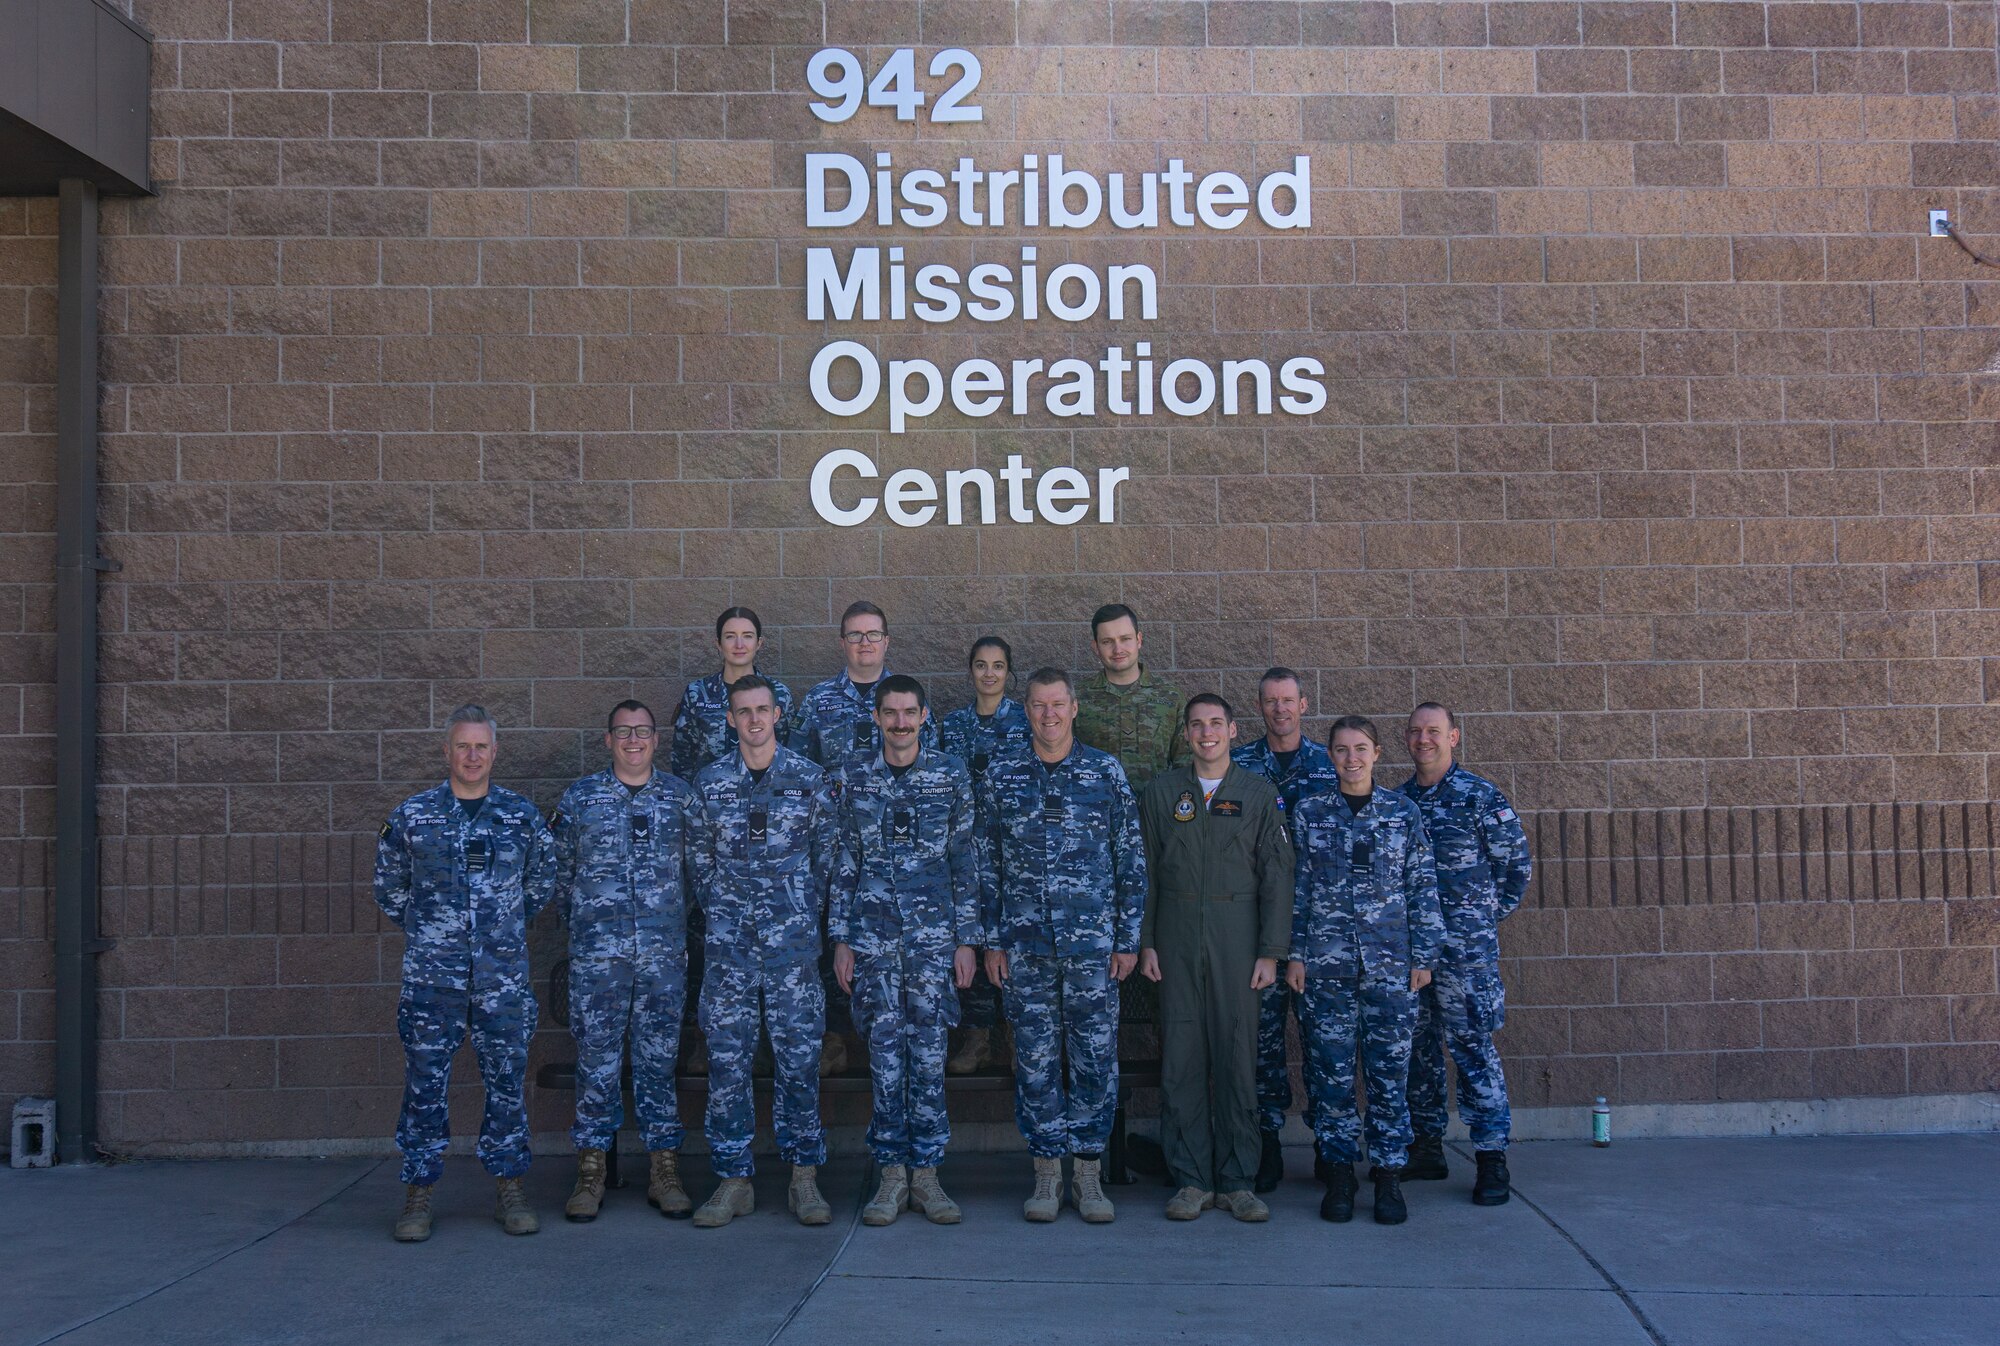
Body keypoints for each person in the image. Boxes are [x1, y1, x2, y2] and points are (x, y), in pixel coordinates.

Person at [374, 704, 557, 1243]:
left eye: (482, 746)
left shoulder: (521, 817)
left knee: (505, 1085)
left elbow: (539, 885)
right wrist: (434, 930)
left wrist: (497, 929)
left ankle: (509, 1187)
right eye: (463, 746)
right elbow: (390, 888)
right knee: (426, 1086)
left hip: (501, 979)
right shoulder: (413, 816)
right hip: (434, 981)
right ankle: (419, 1192)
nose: (472, 756)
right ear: (446, 751)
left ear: (495, 752)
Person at [978, 668, 1147, 1225]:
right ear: (1025, 710)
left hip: (1093, 948)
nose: (1048, 715)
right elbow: (988, 864)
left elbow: (1130, 860)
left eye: (1057, 705)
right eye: (1037, 705)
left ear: (1074, 708)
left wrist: (1126, 940)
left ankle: (1089, 1173)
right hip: (1025, 946)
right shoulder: (1003, 774)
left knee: (1096, 1057)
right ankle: (1047, 1173)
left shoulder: (1104, 772)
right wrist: (992, 941)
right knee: (1035, 1060)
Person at [828, 676, 981, 1227]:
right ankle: (891, 1176)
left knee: (930, 1057)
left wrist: (967, 940)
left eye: (909, 712)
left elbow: (965, 860)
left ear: (923, 716)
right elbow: (844, 860)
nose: (899, 722)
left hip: (933, 944)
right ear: (876, 718)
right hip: (871, 943)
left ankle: (929, 1178)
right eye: (890, 713)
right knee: (885, 1059)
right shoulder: (853, 776)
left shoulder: (949, 774)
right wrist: (841, 937)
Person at [686, 675, 837, 1228]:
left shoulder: (809, 779)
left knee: (799, 1062)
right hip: (729, 951)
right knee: (728, 1065)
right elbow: (698, 860)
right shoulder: (709, 783)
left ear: (777, 715)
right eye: (743, 711)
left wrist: (797, 907)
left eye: (762, 710)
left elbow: (827, 856)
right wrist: (727, 905)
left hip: (792, 951)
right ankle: (733, 1181)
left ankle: (803, 1179)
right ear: (730, 719)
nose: (753, 720)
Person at [1137, 694, 1294, 1222]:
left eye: (1215, 724)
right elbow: (1147, 874)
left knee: (1236, 1059)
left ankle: (1237, 1180)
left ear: (1232, 729)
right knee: (1181, 1058)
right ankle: (1190, 1180)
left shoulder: (1257, 793)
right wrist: (1146, 941)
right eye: (1196, 725)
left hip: (1237, 938)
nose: (1206, 733)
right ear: (1186, 733)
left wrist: (1271, 952)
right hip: (1176, 936)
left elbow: (1277, 877)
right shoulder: (1162, 793)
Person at [1287, 716, 1442, 1226]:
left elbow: (1421, 887)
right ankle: (1339, 1176)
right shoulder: (1309, 812)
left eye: (1360, 749)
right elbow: (1299, 890)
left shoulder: (1403, 813)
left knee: (1388, 1076)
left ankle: (1389, 1177)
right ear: (1329, 756)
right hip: (1326, 967)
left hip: (1389, 968)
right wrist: (1296, 953)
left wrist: (1423, 957)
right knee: (1329, 1075)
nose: (1351, 759)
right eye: (1340, 750)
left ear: (1377, 754)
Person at [551, 699, 697, 1223]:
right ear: (608, 740)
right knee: (597, 1062)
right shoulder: (581, 798)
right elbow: (560, 875)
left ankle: (664, 1168)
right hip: (599, 960)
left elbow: (698, 877)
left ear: (656, 740)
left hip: (662, 959)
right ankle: (591, 1171)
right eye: (623, 731)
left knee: (659, 1063)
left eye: (642, 731)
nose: (633, 740)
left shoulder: (681, 798)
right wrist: (591, 931)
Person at [784, 600, 935, 1075]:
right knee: (831, 936)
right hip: (831, 847)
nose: (865, 644)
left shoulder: (905, 698)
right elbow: (796, 770)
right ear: (842, 642)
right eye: (855, 635)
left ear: (887, 641)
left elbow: (933, 771)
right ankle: (833, 1037)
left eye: (873, 635)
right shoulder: (819, 702)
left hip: (895, 854)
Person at [1398, 702, 1532, 1206]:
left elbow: (1514, 869)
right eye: (1415, 732)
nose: (1423, 739)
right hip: (1413, 957)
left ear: (1454, 737)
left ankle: (1492, 1158)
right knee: (1418, 1054)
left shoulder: (1480, 797)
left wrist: (1475, 922)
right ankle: (1426, 1148)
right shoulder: (1400, 802)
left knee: (1473, 1052)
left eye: (1433, 731)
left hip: (1464, 959)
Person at [1230, 667, 1343, 1190]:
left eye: (1288, 700)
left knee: (1325, 1040)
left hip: (1324, 928)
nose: (1280, 709)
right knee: (1265, 1041)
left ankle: (1330, 1145)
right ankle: (1267, 1142)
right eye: (1271, 701)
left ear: (1304, 704)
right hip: (1262, 927)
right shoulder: (1241, 765)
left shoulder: (1331, 763)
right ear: (1260, 707)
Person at [668, 607, 792, 1079]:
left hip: (772, 842)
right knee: (712, 950)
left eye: (747, 636)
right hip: (715, 835)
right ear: (718, 643)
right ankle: (709, 1041)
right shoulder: (697, 695)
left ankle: (767, 1048)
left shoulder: (778, 693)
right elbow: (681, 766)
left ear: (760, 643)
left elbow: (790, 755)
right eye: (729, 636)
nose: (738, 644)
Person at [935, 635, 1031, 1075]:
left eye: (997, 665)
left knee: (1010, 937)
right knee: (969, 938)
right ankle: (976, 1036)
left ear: (1009, 672)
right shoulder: (951, 725)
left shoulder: (1027, 722)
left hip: (1014, 849)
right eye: (980, 665)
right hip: (963, 849)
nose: (989, 674)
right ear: (970, 670)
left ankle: (1015, 1032)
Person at [1074, 603, 1187, 793]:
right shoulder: (1077, 698)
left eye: (1125, 639)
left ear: (1139, 640)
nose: (1118, 649)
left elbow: (1185, 762)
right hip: (1096, 813)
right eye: (1107, 641)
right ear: (1095, 647)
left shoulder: (1170, 697)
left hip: (1156, 813)